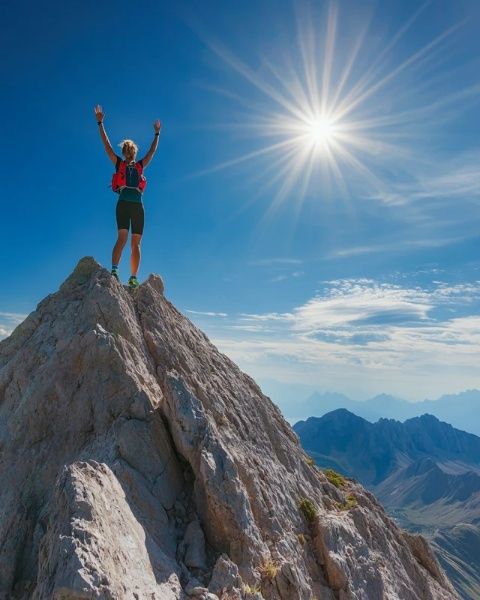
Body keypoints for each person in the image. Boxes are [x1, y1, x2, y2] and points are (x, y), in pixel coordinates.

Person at [94, 104, 161, 288]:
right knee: (135, 243)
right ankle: (132, 278)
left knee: (122, 239)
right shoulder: (139, 165)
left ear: (124, 151)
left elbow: (106, 144)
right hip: (136, 205)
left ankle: (116, 271)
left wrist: (100, 123)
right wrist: (157, 134)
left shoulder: (118, 163)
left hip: (123, 203)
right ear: (133, 152)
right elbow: (152, 151)